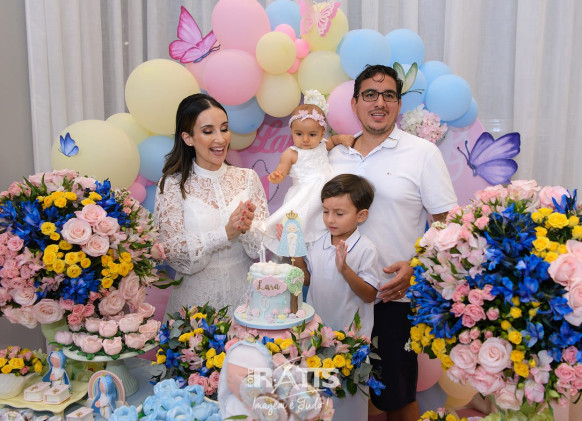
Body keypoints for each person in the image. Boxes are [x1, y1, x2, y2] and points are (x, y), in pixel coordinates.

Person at [328, 65, 458, 421]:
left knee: (397, 399)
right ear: (355, 103)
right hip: (337, 296)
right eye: (370, 94)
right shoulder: (335, 156)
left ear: (399, 105)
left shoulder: (422, 153)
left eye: (389, 95)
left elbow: (449, 225)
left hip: (392, 296)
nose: (379, 102)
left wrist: (417, 267)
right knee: (340, 396)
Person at [154, 93, 269, 315]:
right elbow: (174, 253)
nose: (220, 139)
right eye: (208, 131)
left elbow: (260, 248)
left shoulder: (247, 178)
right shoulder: (172, 185)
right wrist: (224, 233)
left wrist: (248, 228)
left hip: (246, 300)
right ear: (188, 138)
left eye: (224, 129)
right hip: (195, 305)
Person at [295, 174, 380, 421]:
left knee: (348, 406)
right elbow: (308, 279)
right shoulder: (319, 242)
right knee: (318, 404)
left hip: (350, 343)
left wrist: (345, 269)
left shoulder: (365, 248)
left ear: (361, 216)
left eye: (339, 213)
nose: (330, 219)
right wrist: (295, 249)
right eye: (325, 212)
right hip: (317, 339)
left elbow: (369, 294)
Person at [262, 103, 353, 253]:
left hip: (328, 192)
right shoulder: (291, 154)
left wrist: (342, 138)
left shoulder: (323, 145)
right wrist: (276, 176)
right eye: (299, 134)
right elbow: (281, 171)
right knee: (301, 224)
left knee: (325, 222)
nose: (305, 139)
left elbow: (333, 140)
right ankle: (299, 252)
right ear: (291, 132)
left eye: (312, 135)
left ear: (322, 134)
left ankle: (320, 250)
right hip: (304, 195)